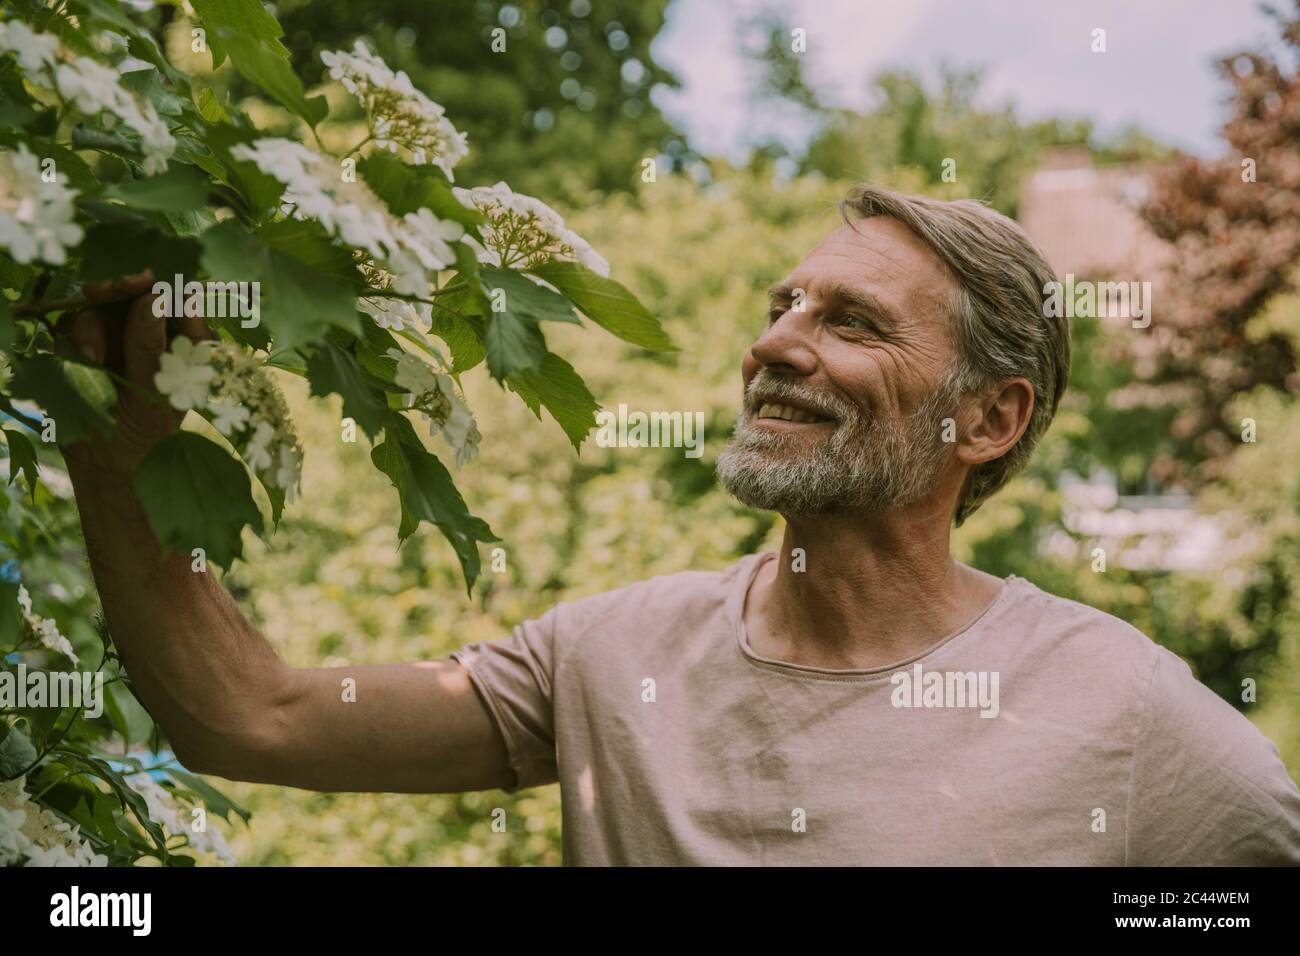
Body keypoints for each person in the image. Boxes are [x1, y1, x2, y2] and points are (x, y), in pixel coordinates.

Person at [60, 185, 1300, 865]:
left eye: (852, 322)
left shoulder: (1119, 709)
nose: (773, 343)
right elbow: (246, 713)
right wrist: (112, 432)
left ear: (988, 418)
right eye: (781, 305)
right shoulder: (609, 655)